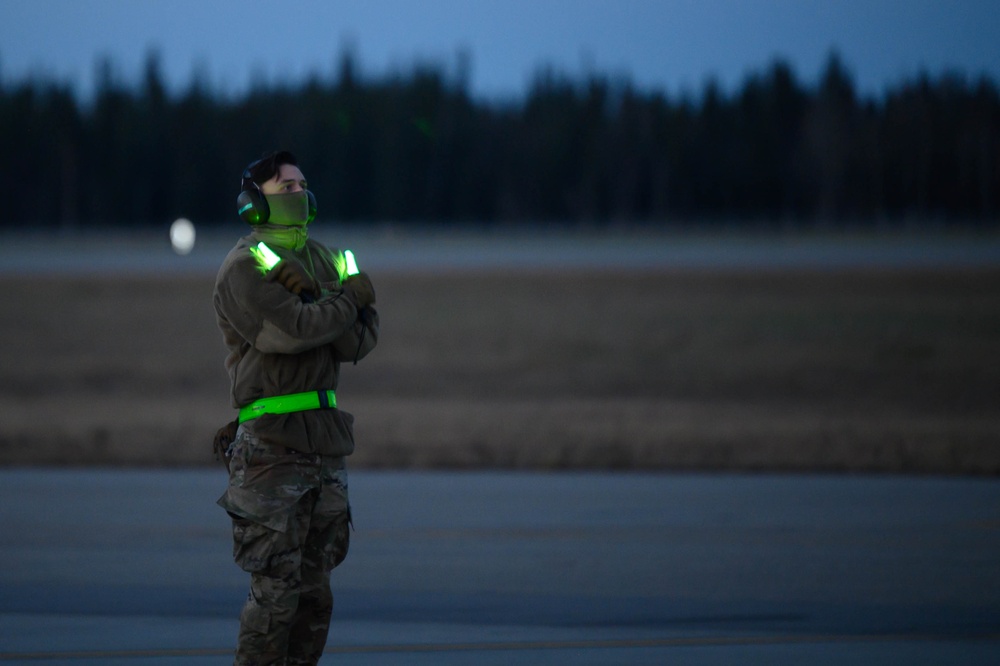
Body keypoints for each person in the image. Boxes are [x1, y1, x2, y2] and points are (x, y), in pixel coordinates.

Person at [212, 150, 378, 665]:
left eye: (303, 184)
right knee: (275, 594)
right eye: (286, 188)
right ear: (255, 204)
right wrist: (345, 302)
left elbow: (360, 342)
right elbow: (294, 332)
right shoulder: (244, 267)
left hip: (325, 447)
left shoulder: (326, 258)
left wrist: (326, 308)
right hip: (271, 450)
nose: (299, 194)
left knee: (314, 595)